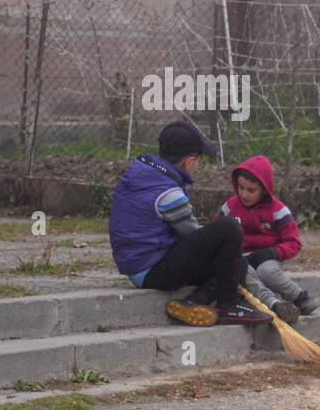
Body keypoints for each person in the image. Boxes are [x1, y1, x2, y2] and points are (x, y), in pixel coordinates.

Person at [109, 121, 272, 326]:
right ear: (189, 162)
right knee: (230, 228)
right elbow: (192, 234)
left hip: (139, 265)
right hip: (152, 270)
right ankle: (228, 307)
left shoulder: (142, 174)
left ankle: (193, 302)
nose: (197, 166)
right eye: (198, 161)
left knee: (237, 263)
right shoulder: (169, 194)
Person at [217, 155, 318, 317]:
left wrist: (273, 252)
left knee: (267, 271)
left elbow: (293, 243)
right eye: (241, 188)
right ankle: (274, 304)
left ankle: (299, 297)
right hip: (240, 258)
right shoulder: (229, 208)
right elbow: (217, 234)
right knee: (245, 273)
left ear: (264, 189)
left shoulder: (278, 211)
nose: (244, 194)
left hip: (267, 257)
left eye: (251, 190)